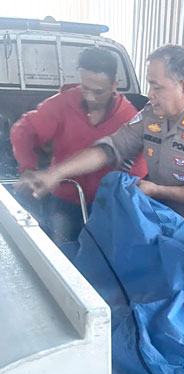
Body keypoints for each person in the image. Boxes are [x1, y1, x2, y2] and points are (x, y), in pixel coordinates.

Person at [17, 44, 184, 270]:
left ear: (183, 87)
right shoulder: (151, 116)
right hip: (166, 233)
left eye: (157, 87)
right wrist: (55, 174)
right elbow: (110, 149)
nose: (150, 94)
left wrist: (157, 190)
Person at [10, 46, 148, 244]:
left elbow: (137, 170)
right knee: (58, 254)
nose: (90, 97)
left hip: (107, 208)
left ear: (114, 85)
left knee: (99, 256)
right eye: (85, 88)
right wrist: (27, 168)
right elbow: (23, 130)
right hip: (64, 201)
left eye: (98, 92)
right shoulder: (62, 103)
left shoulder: (129, 118)